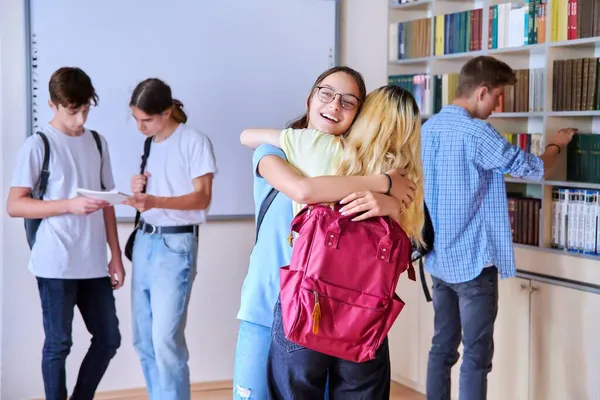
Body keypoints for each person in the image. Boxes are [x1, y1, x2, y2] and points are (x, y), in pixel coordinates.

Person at [234, 67, 417, 400]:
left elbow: (406, 225)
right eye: (326, 94)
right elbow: (302, 190)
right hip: (266, 304)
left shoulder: (355, 166)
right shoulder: (273, 152)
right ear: (310, 99)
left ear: (359, 116)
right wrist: (384, 185)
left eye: (348, 102)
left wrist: (389, 203)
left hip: (332, 312)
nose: (334, 106)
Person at [421, 55, 576, 400]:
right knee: (476, 359)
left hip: (439, 261)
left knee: (441, 350)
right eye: (497, 97)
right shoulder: (478, 133)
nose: (498, 105)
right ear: (482, 91)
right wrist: (555, 145)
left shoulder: (427, 128)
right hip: (474, 266)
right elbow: (534, 168)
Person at [6, 67, 123, 400]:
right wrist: (68, 205)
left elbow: (108, 202)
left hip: (94, 262)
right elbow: (15, 205)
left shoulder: (98, 142)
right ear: (52, 105)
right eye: (74, 111)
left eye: (86, 108)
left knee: (108, 338)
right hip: (55, 262)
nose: (81, 118)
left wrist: (115, 254)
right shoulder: (38, 145)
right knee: (59, 344)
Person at [123, 78, 217, 400]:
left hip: (176, 246)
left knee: (165, 340)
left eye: (145, 120)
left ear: (167, 112)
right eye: (135, 119)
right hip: (146, 242)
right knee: (143, 341)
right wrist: (140, 191)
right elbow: (153, 196)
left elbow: (202, 198)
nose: (139, 126)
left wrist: (156, 201)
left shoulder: (194, 141)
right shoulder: (149, 145)